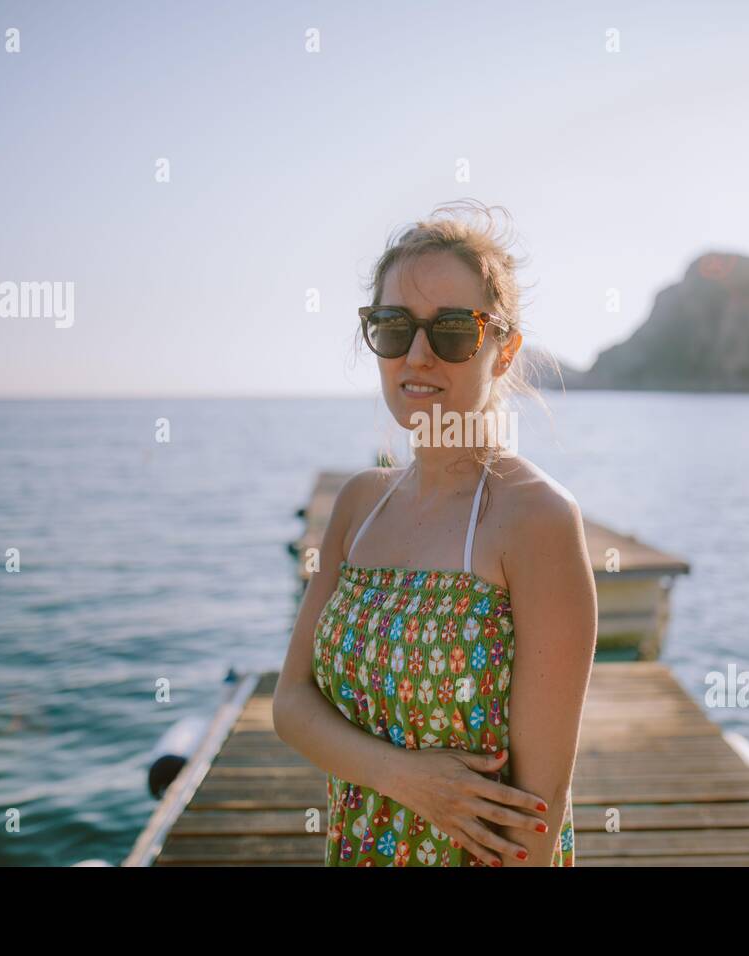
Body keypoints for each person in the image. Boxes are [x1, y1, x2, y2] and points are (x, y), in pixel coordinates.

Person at [273, 199, 597, 866]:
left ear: (503, 351)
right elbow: (290, 703)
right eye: (394, 327)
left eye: (453, 330)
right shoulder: (360, 505)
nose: (418, 355)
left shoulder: (536, 519)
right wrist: (406, 778)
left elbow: (537, 815)